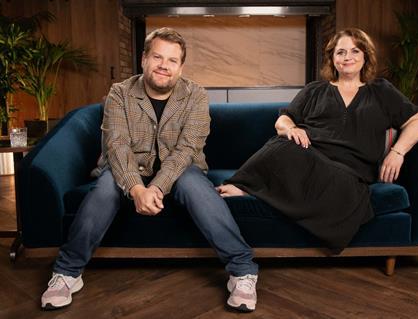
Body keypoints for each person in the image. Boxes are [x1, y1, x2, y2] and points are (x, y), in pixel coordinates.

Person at [41, 28, 258, 312]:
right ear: (144, 58)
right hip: (127, 168)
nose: (163, 66)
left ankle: (242, 271)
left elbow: (186, 150)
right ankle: (67, 273)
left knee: (194, 185)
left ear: (181, 67)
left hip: (181, 169)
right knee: (106, 188)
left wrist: (155, 188)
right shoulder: (120, 93)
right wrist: (136, 188)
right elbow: (116, 146)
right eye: (157, 56)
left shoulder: (195, 95)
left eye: (172, 60)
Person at [217, 28, 418, 252]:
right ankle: (245, 188)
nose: (347, 57)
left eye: (355, 51)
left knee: (341, 186)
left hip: (350, 174)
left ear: (366, 55)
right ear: (332, 58)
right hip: (309, 158)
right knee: (281, 145)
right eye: (340, 52)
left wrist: (398, 152)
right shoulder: (314, 90)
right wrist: (292, 129)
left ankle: (263, 193)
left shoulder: (381, 91)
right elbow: (282, 121)